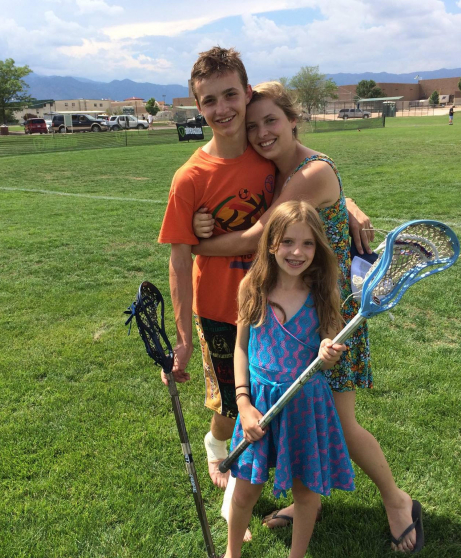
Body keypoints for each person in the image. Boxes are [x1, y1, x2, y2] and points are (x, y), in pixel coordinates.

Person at [192, 81, 424, 553]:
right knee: (315, 418)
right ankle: (305, 497)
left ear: (293, 119)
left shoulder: (306, 171)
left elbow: (259, 235)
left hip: (327, 311)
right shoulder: (286, 168)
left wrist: (193, 242)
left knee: (339, 423)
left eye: (271, 121)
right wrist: (353, 207)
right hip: (301, 303)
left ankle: (398, 501)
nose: (260, 132)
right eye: (253, 125)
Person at [158, 46, 374, 543]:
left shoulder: (263, 153)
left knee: (273, 402)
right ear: (198, 106)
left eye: (231, 94)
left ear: (247, 92)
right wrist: (183, 334)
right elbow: (176, 259)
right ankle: (230, 482)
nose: (223, 109)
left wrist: (349, 203)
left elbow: (308, 182)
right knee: (235, 405)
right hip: (222, 306)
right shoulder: (190, 176)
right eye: (209, 100)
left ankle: (250, 482)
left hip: (286, 304)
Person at [224, 200, 354, 558]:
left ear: (318, 247)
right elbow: (240, 349)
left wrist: (327, 353)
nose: (297, 252)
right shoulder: (252, 286)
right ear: (270, 244)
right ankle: (231, 552)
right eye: (287, 242)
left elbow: (327, 356)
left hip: (307, 406)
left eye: (308, 243)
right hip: (259, 406)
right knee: (247, 490)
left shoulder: (324, 292)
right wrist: (243, 404)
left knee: (305, 491)